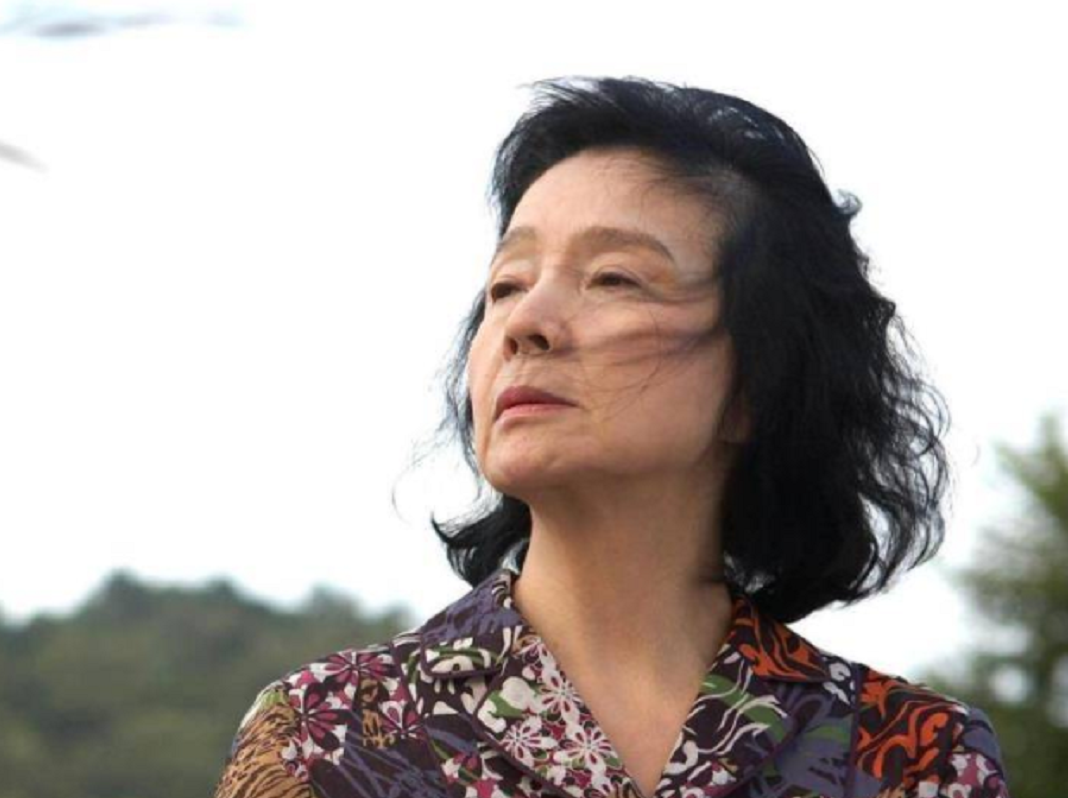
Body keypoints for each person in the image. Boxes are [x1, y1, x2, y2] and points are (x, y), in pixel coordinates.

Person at [212, 76, 1011, 798]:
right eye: (506, 285)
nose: (525, 323)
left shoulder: (912, 759)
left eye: (613, 279)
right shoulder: (328, 739)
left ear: (761, 380)